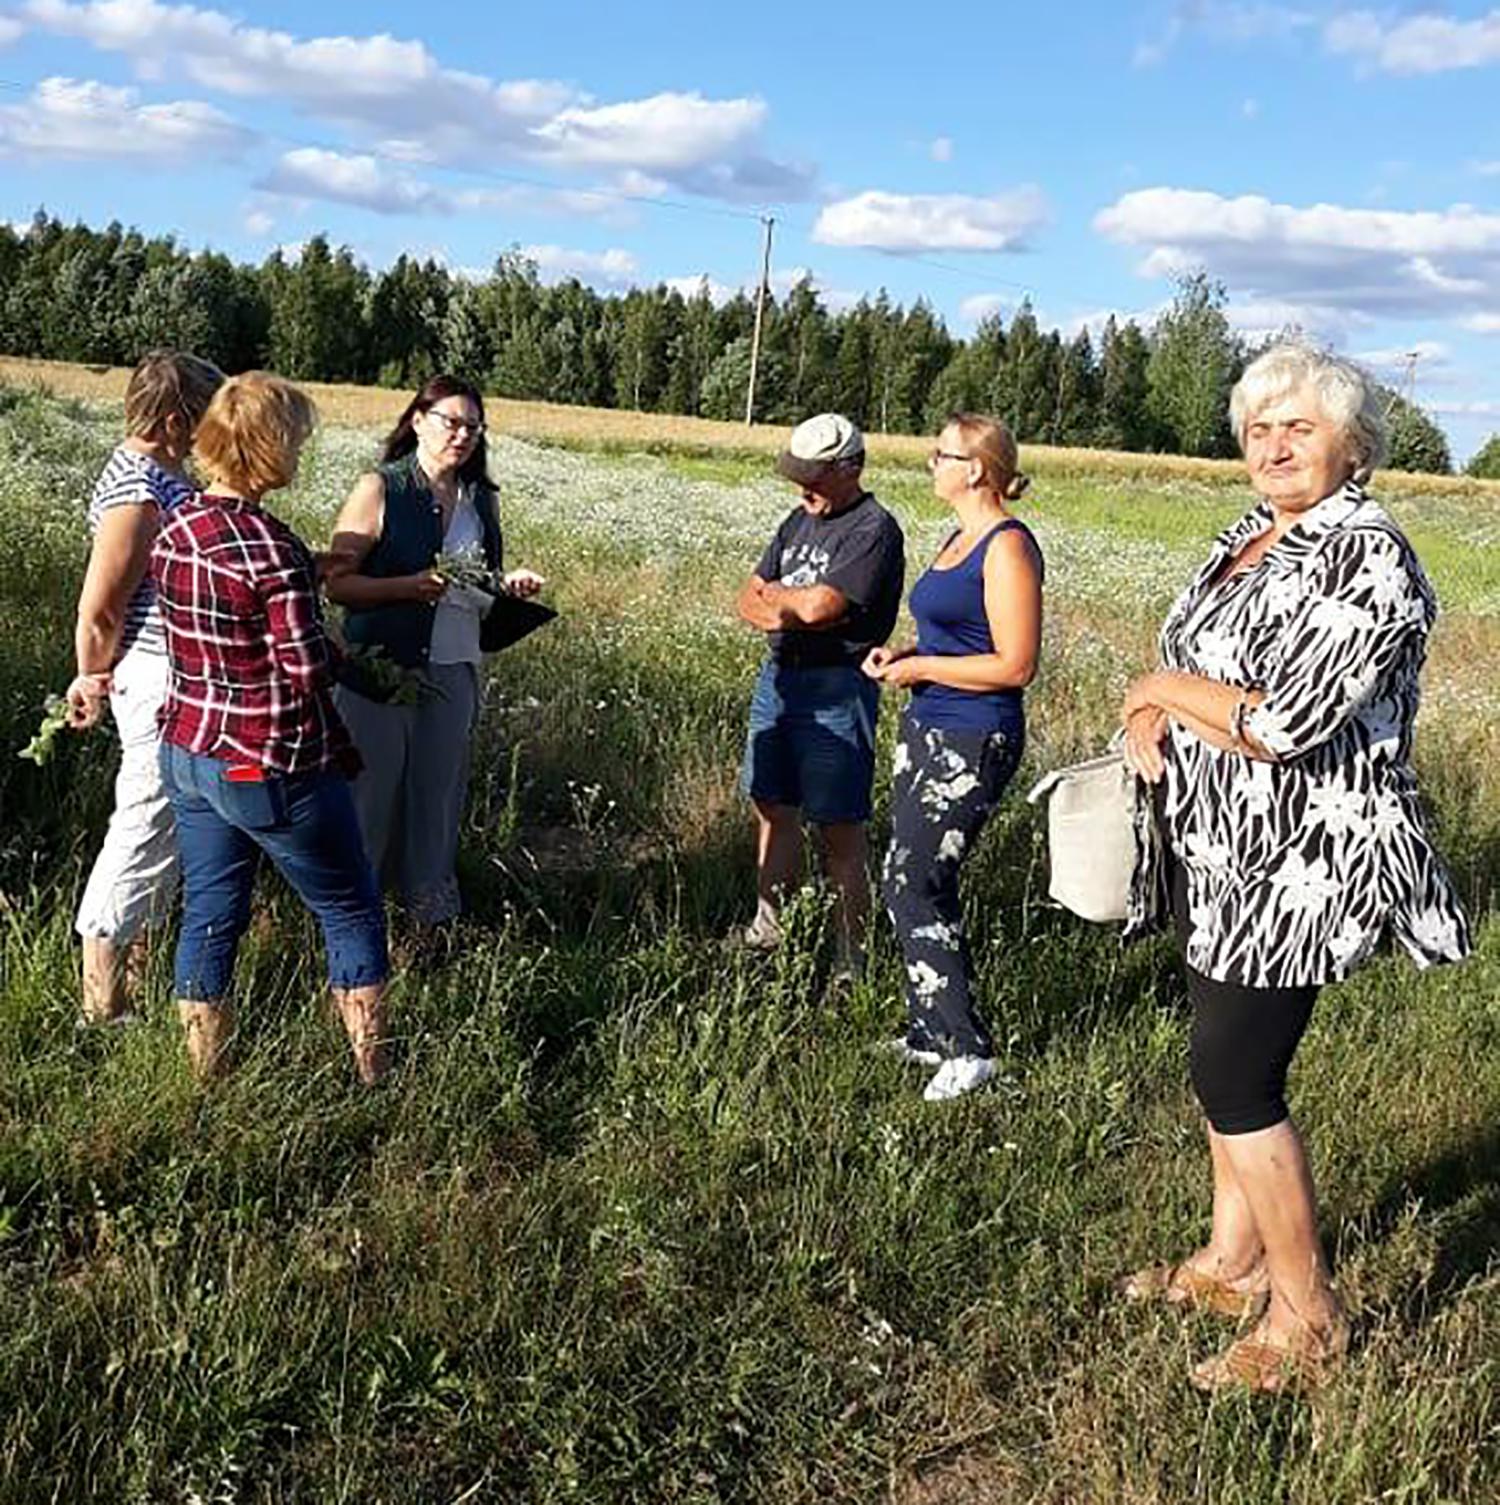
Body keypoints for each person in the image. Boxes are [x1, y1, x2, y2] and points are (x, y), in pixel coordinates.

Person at [1118, 341, 1470, 1392]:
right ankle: (1233, 1261)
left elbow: (1288, 720)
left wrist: (1156, 687)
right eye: (1260, 427)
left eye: (1300, 427)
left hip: (1303, 857)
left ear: (1351, 444)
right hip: (1218, 845)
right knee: (1213, 1058)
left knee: (1237, 1076)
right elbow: (1202, 659)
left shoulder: (1365, 555)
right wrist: (1158, 704)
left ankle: (1308, 1320)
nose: (1274, 446)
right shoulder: (1253, 535)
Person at [150, 373, 390, 1084]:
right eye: (297, 436)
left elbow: (222, 616)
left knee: (211, 911)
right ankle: (374, 1071)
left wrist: (304, 577)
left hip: (191, 749)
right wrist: (337, 649)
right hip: (271, 761)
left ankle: (205, 1076)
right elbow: (305, 667)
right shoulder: (272, 547)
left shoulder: (179, 523)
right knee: (349, 907)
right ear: (270, 446)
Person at [325, 375, 544, 939]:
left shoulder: (481, 499)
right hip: (381, 670)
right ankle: (355, 930)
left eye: (474, 426)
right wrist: (405, 587)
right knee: (369, 802)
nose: (463, 435)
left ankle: (428, 925)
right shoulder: (382, 488)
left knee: (437, 801)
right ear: (418, 420)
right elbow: (337, 583)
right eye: (452, 422)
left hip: (455, 666)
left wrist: (506, 584)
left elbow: (475, 578)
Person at [864, 415, 1043, 1102]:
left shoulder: (1007, 547)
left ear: (976, 468)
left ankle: (969, 1051)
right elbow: (955, 633)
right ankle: (927, 1029)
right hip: (930, 724)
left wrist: (926, 667)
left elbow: (1016, 663)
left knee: (916, 881)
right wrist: (908, 654)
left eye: (941, 453)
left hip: (976, 736)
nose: (930, 461)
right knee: (903, 873)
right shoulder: (956, 538)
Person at [66, 350, 224, 1024]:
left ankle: (135, 976)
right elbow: (101, 605)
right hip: (155, 677)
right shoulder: (137, 488)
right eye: (205, 419)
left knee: (166, 831)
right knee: (142, 825)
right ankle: (101, 1005)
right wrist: (91, 675)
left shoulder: (160, 475)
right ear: (170, 420)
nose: (215, 432)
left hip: (176, 675)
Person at [735, 413, 905, 975]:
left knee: (839, 828)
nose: (801, 487)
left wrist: (779, 602)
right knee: (771, 806)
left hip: (839, 689)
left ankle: (850, 963)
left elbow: (821, 608)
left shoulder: (872, 529)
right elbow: (746, 597)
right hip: (779, 679)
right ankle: (768, 933)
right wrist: (784, 604)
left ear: (850, 468)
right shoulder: (797, 520)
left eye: (812, 475)